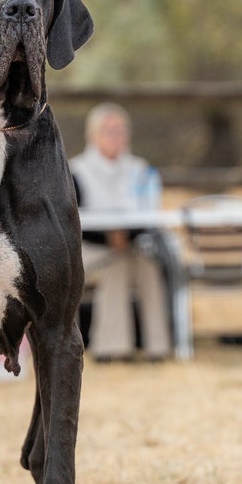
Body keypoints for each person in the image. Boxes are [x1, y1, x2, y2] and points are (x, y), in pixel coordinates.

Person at [68, 103, 172, 362]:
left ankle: (157, 347)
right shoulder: (76, 170)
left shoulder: (140, 169)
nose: (116, 136)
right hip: (89, 249)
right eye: (108, 130)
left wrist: (126, 236)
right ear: (93, 135)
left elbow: (149, 214)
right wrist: (108, 238)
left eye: (120, 130)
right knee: (117, 267)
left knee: (149, 268)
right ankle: (111, 349)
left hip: (129, 245)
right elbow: (72, 222)